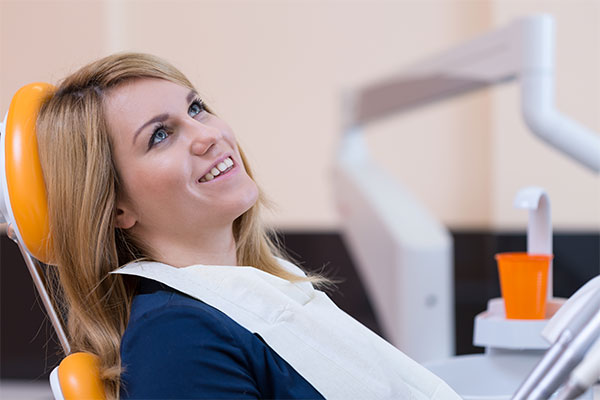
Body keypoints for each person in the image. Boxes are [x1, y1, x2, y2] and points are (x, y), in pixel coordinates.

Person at [36, 53, 460, 399]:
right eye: (161, 135)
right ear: (115, 209)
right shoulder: (175, 337)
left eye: (196, 108)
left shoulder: (267, 288)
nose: (207, 136)